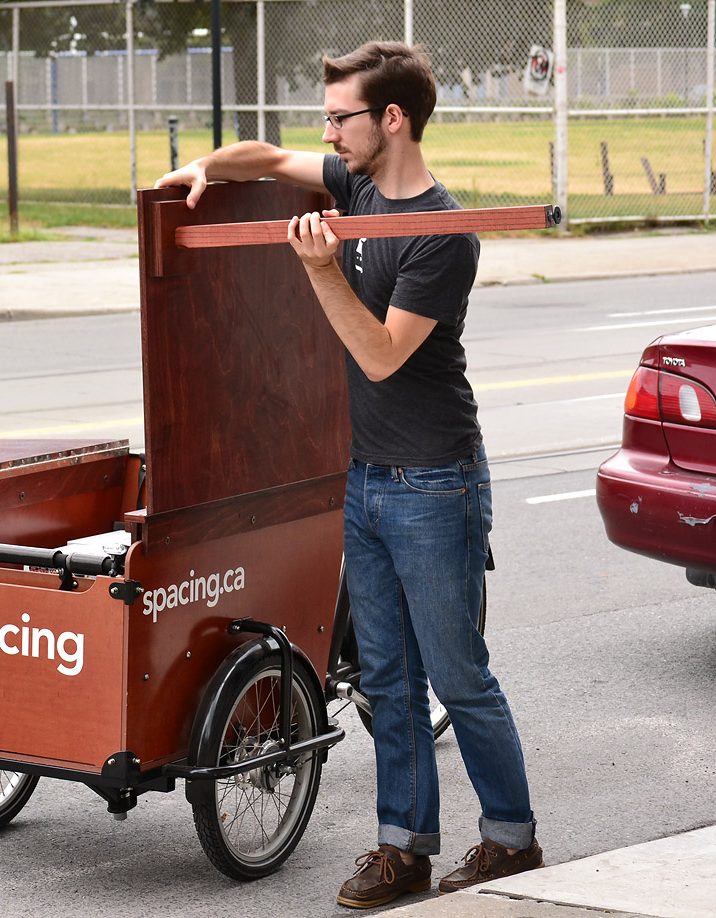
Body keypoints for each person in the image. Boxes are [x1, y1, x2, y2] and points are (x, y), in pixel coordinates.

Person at [156, 41, 542, 909]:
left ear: (392, 119)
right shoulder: (353, 184)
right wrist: (199, 165)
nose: (328, 134)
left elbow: (378, 356)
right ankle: (402, 850)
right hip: (368, 479)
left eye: (341, 117)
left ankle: (512, 839)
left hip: (436, 482)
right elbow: (261, 157)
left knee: (456, 674)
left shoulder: (439, 234)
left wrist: (321, 270)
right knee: (385, 681)